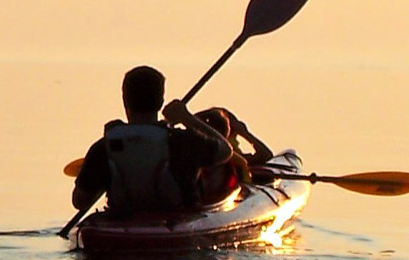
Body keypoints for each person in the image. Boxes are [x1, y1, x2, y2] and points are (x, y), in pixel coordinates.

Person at [72, 66, 234, 215]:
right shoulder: (182, 141)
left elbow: (80, 201)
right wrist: (186, 117)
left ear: (124, 100)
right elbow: (225, 151)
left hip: (122, 224)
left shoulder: (105, 146)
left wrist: (99, 177)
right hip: (177, 222)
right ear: (160, 102)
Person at [190, 107, 276, 203]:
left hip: (229, 189)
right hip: (218, 195)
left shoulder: (231, 149)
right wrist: (245, 133)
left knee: (268, 177)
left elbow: (265, 156)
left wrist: (244, 133)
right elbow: (264, 155)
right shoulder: (225, 150)